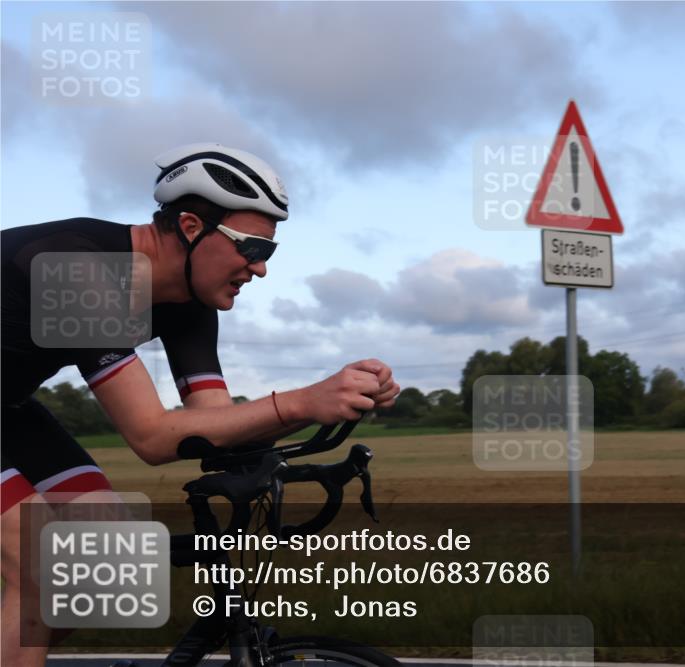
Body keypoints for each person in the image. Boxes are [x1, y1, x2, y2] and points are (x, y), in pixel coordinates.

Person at [0, 143, 400, 665]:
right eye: (253, 249)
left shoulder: (188, 301)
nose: (259, 270)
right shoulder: (79, 267)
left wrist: (342, 402)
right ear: (191, 227)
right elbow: (150, 436)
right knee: (45, 572)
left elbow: (212, 426)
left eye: (268, 252)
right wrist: (304, 400)